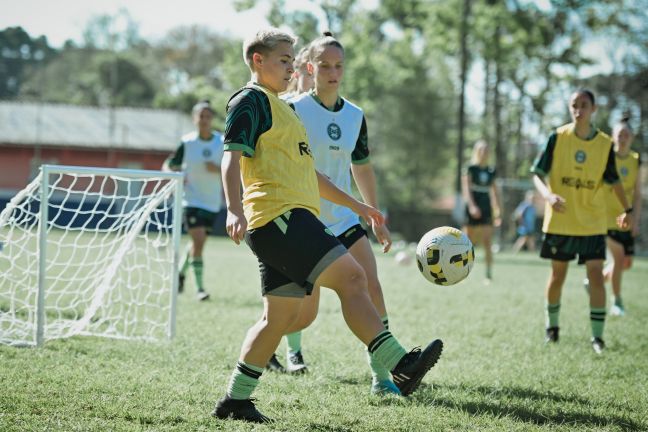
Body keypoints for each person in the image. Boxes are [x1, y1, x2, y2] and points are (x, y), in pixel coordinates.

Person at [211, 28, 443, 424]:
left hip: (288, 218)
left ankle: (235, 400)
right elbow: (231, 157)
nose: (290, 67)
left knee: (281, 319)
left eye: (291, 60)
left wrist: (361, 207)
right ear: (257, 61)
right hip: (279, 217)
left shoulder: (283, 108)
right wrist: (234, 208)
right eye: (284, 60)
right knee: (354, 279)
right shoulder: (250, 100)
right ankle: (398, 365)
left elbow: (314, 176)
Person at [267, 32, 401, 395]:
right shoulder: (293, 109)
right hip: (304, 221)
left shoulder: (355, 115)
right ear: (309, 68)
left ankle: (383, 377)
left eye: (338, 65)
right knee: (302, 313)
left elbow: (363, 166)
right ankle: (271, 345)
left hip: (344, 220)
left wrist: (373, 214)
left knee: (372, 286)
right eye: (324, 65)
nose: (332, 71)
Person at [531, 89, 632, 354]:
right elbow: (538, 174)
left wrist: (628, 209)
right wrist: (548, 195)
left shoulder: (604, 144)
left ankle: (597, 338)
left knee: (596, 276)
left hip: (591, 222)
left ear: (594, 109)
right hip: (561, 222)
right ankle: (552, 329)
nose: (578, 110)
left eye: (584, 105)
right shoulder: (557, 137)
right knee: (557, 276)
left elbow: (614, 181)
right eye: (574, 105)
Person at [265, 42, 316, 375]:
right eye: (295, 65)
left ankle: (268, 345)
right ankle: (288, 352)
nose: (298, 72)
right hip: (281, 209)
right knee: (289, 294)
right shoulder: (280, 106)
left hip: (314, 205)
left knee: (304, 305)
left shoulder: (317, 109)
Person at [163, 100, 224, 301]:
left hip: (212, 201)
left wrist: (217, 169)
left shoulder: (221, 142)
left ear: (212, 119)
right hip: (190, 200)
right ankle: (200, 289)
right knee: (198, 241)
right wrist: (176, 175)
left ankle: (180, 274)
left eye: (207, 116)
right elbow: (169, 165)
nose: (204, 120)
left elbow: (232, 168)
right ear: (194, 119)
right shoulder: (187, 142)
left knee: (197, 245)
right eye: (201, 116)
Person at [601, 117, 642, 316]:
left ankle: (595, 280)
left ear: (631, 138)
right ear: (613, 137)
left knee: (626, 263)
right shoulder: (606, 158)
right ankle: (616, 301)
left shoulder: (637, 160)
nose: (623, 138)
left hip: (627, 218)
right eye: (619, 135)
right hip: (607, 218)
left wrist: (636, 219)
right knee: (618, 258)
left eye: (626, 135)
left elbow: (638, 193)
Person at [461, 140, 501, 282]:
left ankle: (488, 274)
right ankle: (462, 272)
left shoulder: (491, 170)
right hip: (473, 205)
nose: (484, 153)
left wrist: (497, 211)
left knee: (487, 241)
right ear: (476, 152)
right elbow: (466, 189)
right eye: (481, 150)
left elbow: (495, 192)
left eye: (486, 150)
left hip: (485, 207)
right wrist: (472, 206)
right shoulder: (470, 168)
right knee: (467, 242)